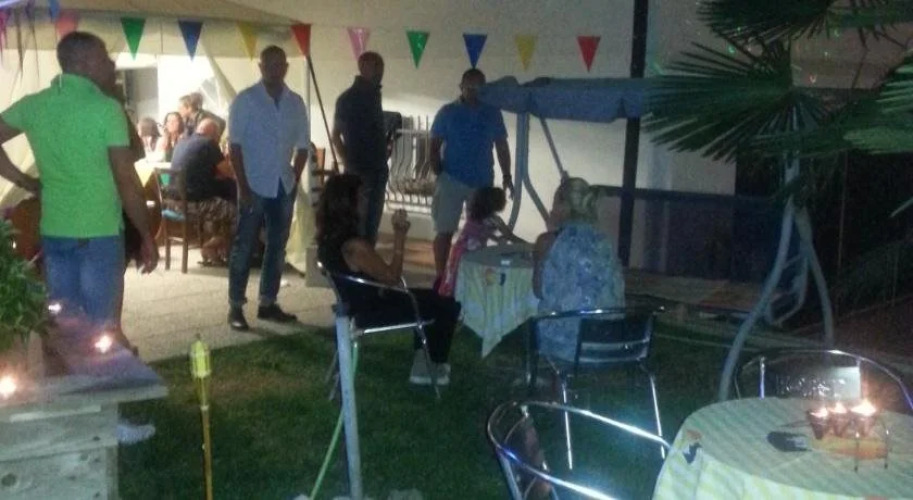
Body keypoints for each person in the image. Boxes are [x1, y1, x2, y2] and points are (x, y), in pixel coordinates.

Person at [0, 31, 158, 340]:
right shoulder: (105, 109)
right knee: (103, 330)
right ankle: (106, 373)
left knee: (66, 329)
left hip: (55, 232)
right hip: (100, 234)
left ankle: (71, 371)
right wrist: (145, 235)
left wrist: (26, 182)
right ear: (85, 63)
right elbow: (126, 181)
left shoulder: (35, 105)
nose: (111, 64)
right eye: (104, 57)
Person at [317, 174, 460, 385]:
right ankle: (429, 366)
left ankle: (425, 360)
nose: (366, 201)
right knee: (446, 305)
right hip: (372, 310)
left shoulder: (328, 240)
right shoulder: (355, 246)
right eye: (361, 197)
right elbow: (392, 277)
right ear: (348, 203)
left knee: (434, 297)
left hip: (360, 304)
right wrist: (399, 236)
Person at [227, 45, 309, 330]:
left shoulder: (295, 103)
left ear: (286, 68)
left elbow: (303, 147)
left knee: (277, 247)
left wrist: (294, 179)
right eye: (269, 65)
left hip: (282, 185)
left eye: (279, 65)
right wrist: (243, 186)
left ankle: (268, 302)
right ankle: (236, 306)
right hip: (254, 183)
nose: (274, 70)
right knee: (244, 246)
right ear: (261, 68)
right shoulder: (246, 100)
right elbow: (234, 147)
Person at [430, 68, 513, 284]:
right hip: (451, 179)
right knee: (444, 230)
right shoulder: (447, 112)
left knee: (479, 233)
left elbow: (501, 145)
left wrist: (507, 175)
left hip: (482, 182)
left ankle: (470, 278)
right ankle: (440, 277)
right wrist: (438, 170)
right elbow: (434, 144)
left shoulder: (493, 113)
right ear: (461, 87)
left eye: (480, 88)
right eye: (471, 87)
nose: (475, 92)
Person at [532, 177, 625, 362]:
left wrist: (546, 241)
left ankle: (551, 377)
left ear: (564, 207)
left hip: (572, 343)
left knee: (543, 313)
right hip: (613, 337)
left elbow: (538, 290)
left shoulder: (549, 241)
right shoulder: (603, 241)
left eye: (555, 203)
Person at [331, 51, 389, 245]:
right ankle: (357, 259)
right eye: (375, 66)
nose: (380, 71)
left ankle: (367, 258)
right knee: (359, 224)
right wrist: (348, 164)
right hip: (360, 170)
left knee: (372, 224)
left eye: (381, 66)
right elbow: (336, 135)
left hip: (378, 168)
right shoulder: (348, 99)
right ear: (362, 67)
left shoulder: (374, 95)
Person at [435, 187, 524, 297]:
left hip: (460, 249)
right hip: (474, 252)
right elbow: (509, 236)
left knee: (456, 276)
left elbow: (479, 232)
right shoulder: (495, 220)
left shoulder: (474, 215)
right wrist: (525, 244)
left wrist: (496, 239)